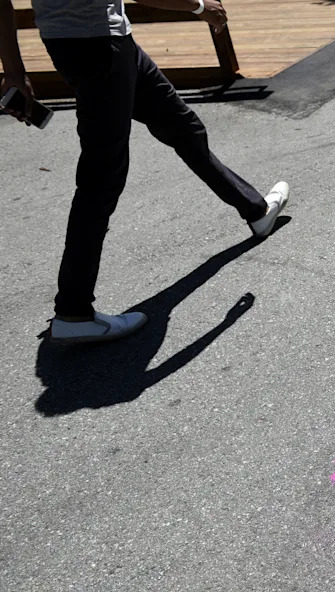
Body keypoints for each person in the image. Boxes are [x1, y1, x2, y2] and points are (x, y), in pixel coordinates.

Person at [0, 0, 289, 344]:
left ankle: (255, 210)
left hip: (103, 42)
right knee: (101, 177)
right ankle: (73, 311)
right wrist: (198, 8)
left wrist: (14, 70)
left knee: (184, 128)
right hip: (97, 48)